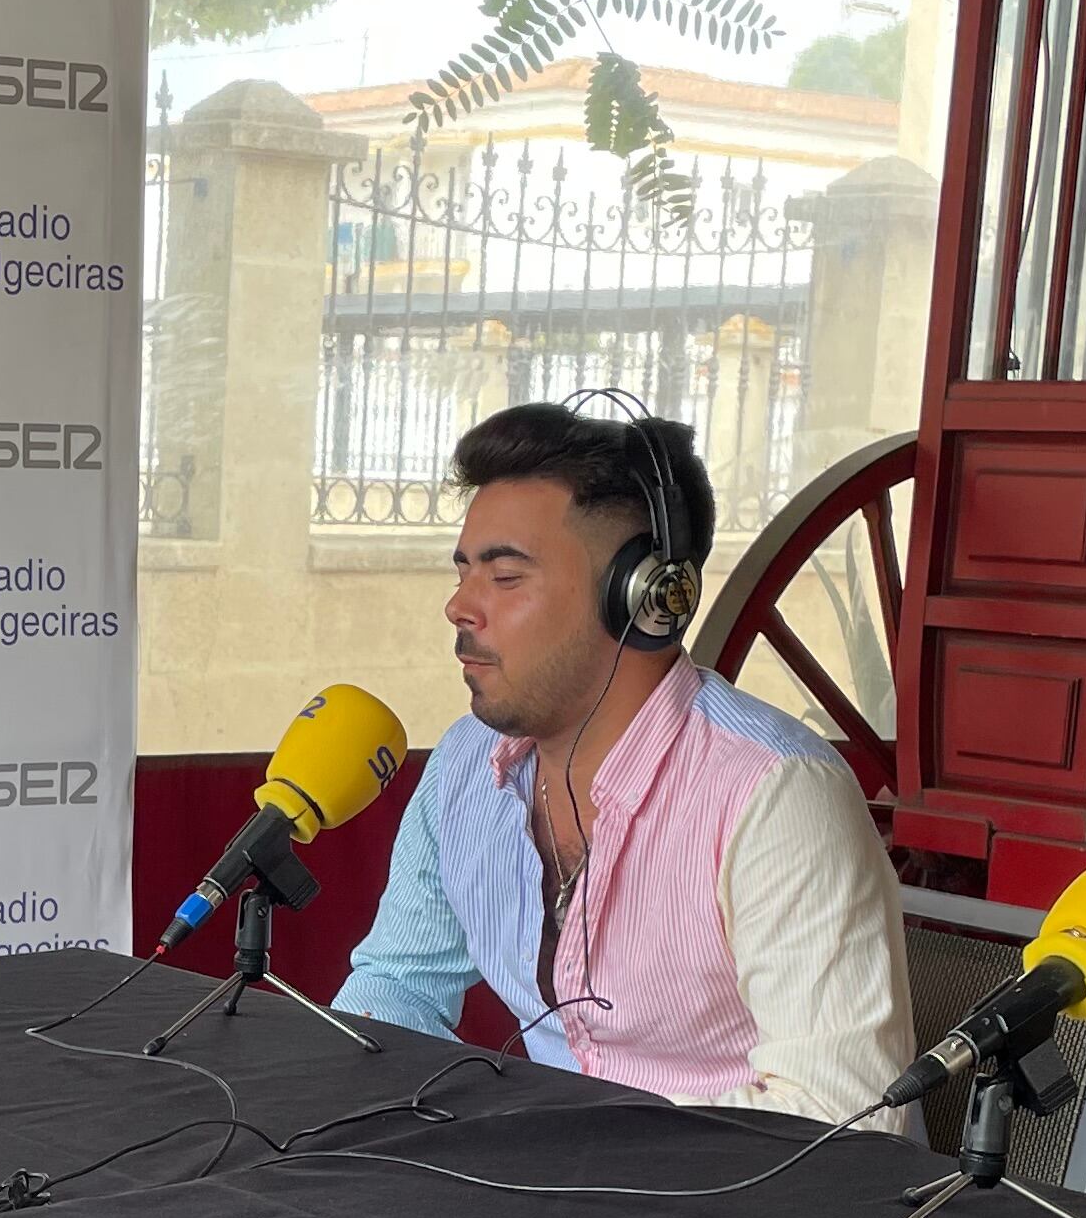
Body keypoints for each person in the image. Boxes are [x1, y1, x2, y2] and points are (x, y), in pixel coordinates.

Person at [334, 403, 916, 1125]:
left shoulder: (772, 795)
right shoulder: (464, 762)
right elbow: (397, 985)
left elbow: (843, 1115)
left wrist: (556, 1138)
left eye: (505, 577)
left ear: (643, 598)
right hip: (546, 1191)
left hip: (747, 1215)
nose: (460, 606)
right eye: (463, 574)